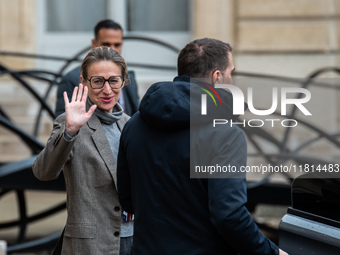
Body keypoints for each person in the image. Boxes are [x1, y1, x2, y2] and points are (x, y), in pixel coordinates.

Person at [117, 38, 288, 255]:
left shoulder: (134, 125)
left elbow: (128, 201)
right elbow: (229, 215)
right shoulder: (226, 134)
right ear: (217, 77)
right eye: (231, 73)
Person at [33, 47, 133, 255]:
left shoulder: (130, 124)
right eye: (98, 81)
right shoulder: (70, 123)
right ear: (84, 82)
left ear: (123, 81)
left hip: (133, 240)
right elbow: (43, 172)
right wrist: (70, 131)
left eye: (114, 81)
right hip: (90, 246)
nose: (107, 90)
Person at [55, 19, 139, 117]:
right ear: (94, 43)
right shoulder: (71, 79)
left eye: (117, 45)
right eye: (106, 44)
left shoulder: (129, 77)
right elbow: (62, 124)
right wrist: (71, 130)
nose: (112, 49)